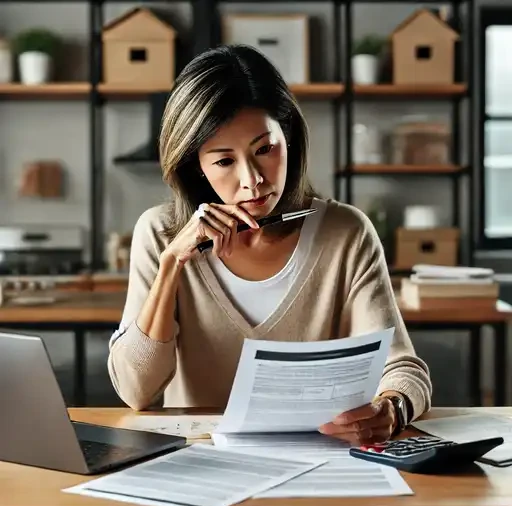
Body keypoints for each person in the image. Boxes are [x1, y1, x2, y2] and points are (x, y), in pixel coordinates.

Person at [108, 44, 432, 446]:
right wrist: (173, 263)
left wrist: (392, 407)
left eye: (264, 150)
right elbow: (135, 391)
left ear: (289, 136)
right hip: (199, 465)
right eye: (225, 161)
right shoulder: (159, 233)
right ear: (197, 166)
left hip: (316, 460)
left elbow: (403, 369)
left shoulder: (346, 232)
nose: (253, 180)